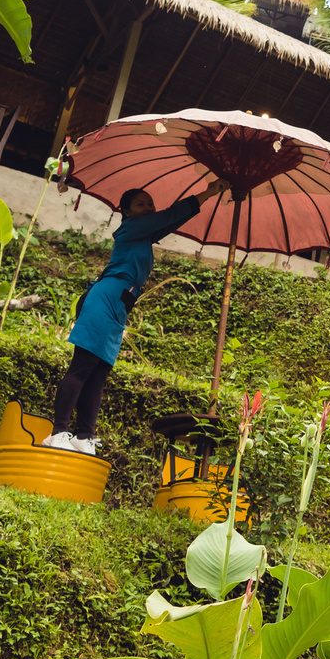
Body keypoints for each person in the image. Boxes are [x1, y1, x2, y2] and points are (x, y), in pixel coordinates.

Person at [47, 177, 221, 453]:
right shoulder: (131, 228)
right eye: (141, 204)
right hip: (104, 299)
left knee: (98, 374)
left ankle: (84, 436)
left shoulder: (144, 234)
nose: (148, 208)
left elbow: (170, 222)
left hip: (118, 305)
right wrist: (207, 193)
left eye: (150, 204)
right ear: (126, 212)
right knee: (81, 368)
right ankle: (58, 432)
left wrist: (206, 198)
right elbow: (170, 216)